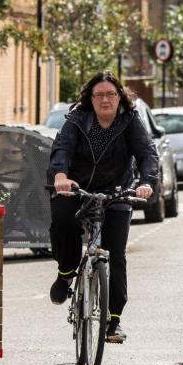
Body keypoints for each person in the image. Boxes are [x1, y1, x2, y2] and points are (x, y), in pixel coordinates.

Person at [48, 71, 158, 344]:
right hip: (78, 187)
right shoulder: (77, 119)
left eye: (110, 94)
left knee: (116, 254)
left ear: (120, 97)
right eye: (99, 95)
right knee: (62, 220)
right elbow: (62, 149)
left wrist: (146, 181)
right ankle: (65, 273)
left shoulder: (130, 121)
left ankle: (114, 321)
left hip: (117, 191)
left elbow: (147, 153)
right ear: (91, 98)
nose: (105, 99)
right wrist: (60, 176)